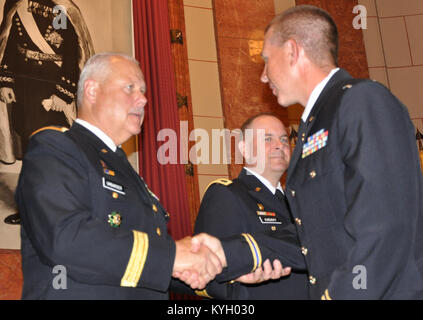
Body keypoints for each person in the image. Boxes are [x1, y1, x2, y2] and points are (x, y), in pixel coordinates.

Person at [16, 53, 224, 299]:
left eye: (143, 91)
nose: (143, 99)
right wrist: (174, 256)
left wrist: (222, 274)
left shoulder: (122, 169)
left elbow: (146, 267)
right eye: (130, 88)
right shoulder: (56, 147)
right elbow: (65, 239)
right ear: (92, 90)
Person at [259, 5, 423, 299]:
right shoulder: (318, 121)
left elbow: (385, 228)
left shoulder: (362, 100)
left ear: (292, 51)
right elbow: (316, 233)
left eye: (267, 60)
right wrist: (235, 251)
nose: (263, 75)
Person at [194, 113, 309, 299]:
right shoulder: (227, 194)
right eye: (268, 139)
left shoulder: (299, 202)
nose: (280, 145)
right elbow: (208, 273)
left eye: (284, 139)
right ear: (245, 149)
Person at [0, 0, 94, 225]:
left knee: (51, 154)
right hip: (24, 90)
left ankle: (57, 212)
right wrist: (6, 81)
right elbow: (11, 43)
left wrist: (62, 94)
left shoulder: (61, 9)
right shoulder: (17, 3)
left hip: (49, 91)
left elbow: (72, 52)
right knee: (31, 152)